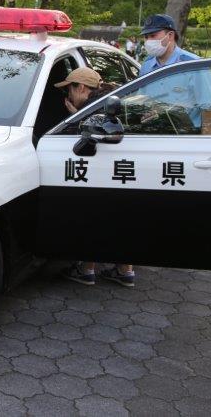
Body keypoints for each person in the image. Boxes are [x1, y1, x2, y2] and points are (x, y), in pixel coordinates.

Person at [56, 67, 135, 288]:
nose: (68, 95)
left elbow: (83, 138)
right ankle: (125, 270)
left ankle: (86, 269)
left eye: (69, 90)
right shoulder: (109, 101)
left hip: (100, 171)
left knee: (91, 214)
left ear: (81, 87)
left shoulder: (93, 109)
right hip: (122, 171)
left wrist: (74, 117)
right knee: (119, 219)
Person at [139, 14, 211, 135]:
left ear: (170, 35)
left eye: (153, 36)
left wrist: (203, 142)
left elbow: (208, 108)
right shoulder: (146, 66)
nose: (149, 41)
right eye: (146, 37)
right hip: (153, 134)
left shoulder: (193, 65)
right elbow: (141, 101)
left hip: (185, 136)